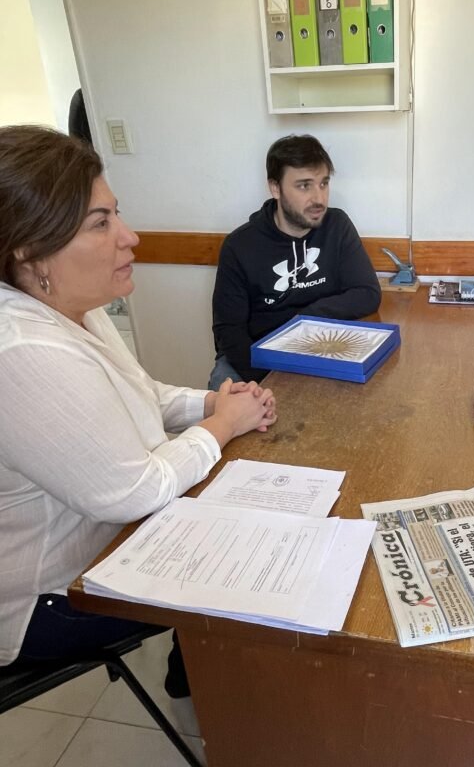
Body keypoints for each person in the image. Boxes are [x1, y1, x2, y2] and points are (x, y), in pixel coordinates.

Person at [0, 125, 277, 693]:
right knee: (249, 571)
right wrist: (222, 424)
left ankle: (196, 676)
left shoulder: (69, 304)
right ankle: (224, 698)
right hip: (47, 598)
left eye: (116, 214)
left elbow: (141, 392)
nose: (130, 238)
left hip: (110, 541)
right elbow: (132, 491)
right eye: (101, 224)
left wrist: (212, 400)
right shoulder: (20, 349)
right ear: (29, 250)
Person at [210, 134, 382, 387]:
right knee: (225, 399)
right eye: (304, 186)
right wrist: (270, 382)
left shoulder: (337, 226)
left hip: (321, 344)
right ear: (275, 188)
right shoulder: (239, 246)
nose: (319, 198)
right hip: (256, 355)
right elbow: (229, 332)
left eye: (323, 184)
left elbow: (367, 293)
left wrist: (304, 319)